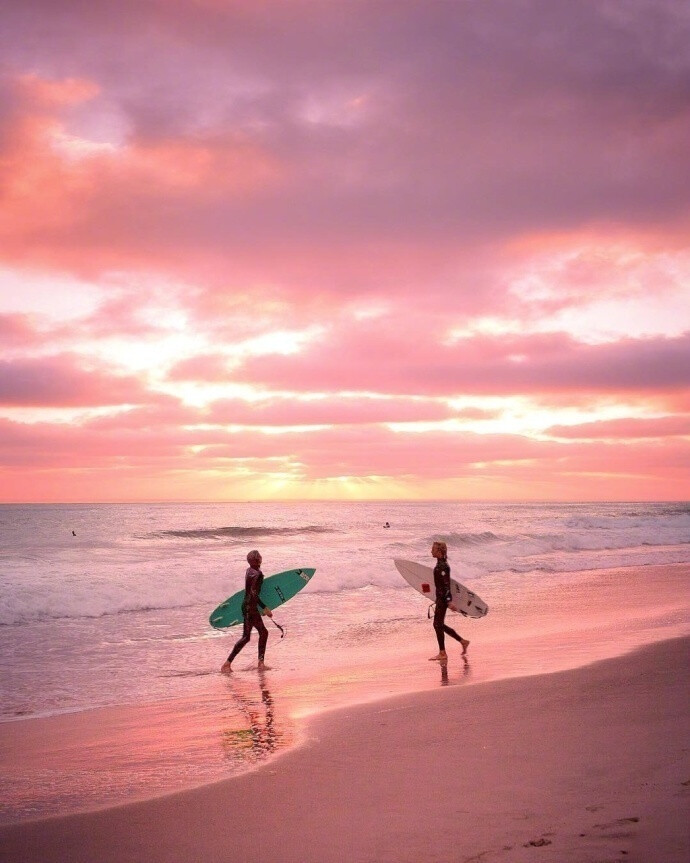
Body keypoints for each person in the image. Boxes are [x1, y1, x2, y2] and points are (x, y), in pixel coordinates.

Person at [221, 550, 273, 672]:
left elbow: (249, 592)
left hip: (245, 606)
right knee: (262, 633)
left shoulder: (248, 571)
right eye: (259, 557)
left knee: (247, 637)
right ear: (257, 560)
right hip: (252, 607)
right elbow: (254, 593)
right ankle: (260, 663)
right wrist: (265, 608)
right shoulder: (259, 574)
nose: (261, 558)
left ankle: (227, 664)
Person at [428, 541, 469, 662]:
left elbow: (446, 585)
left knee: (437, 624)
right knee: (439, 624)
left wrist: (449, 601)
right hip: (440, 598)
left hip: (443, 599)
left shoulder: (443, 567)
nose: (431, 551)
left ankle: (443, 653)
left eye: (433, 549)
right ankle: (462, 641)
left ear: (439, 551)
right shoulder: (441, 564)